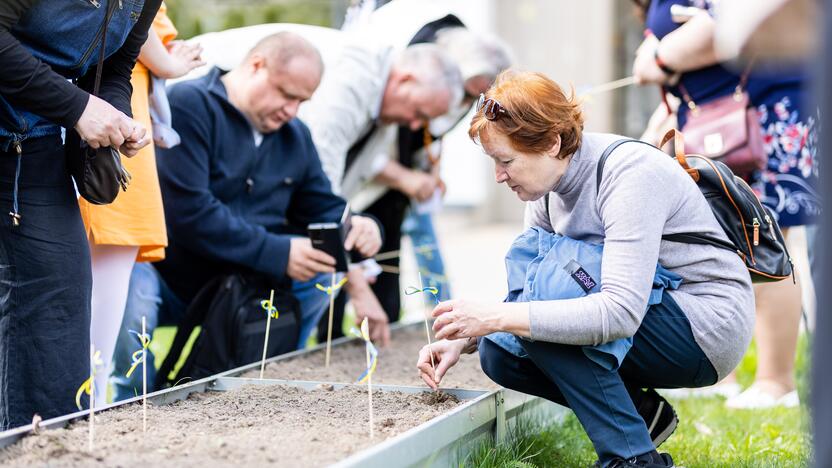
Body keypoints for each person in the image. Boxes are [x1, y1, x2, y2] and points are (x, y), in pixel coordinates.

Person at [416, 70, 755, 467]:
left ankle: (632, 458)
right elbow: (529, 288)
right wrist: (466, 336)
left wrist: (497, 316)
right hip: (651, 312)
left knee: (535, 319)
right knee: (498, 349)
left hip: (704, 325)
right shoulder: (545, 189)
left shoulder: (628, 175)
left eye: (506, 160)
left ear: (552, 142)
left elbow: (618, 313)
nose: (499, 175)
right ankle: (640, 416)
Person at [110, 32, 384, 401]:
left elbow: (320, 204)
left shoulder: (295, 135)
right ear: (256, 65)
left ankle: (275, 376)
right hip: (171, 278)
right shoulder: (189, 105)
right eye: (287, 94)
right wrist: (279, 253)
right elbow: (189, 212)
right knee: (130, 282)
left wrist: (361, 225)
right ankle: (131, 401)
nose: (292, 110)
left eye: (302, 101)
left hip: (248, 288)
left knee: (324, 271)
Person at [632, 0, 819, 408]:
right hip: (714, 119)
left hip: (764, 113)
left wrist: (660, 56)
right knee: (724, 246)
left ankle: (776, 381)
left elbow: (727, 26)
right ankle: (725, 375)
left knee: (768, 241)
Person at [0, 0, 160, 429]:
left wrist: (114, 115)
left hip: (30, 142)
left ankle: (46, 447)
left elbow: (115, 66)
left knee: (60, 299)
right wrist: (77, 108)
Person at [82, 3, 204, 407]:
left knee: (110, 255)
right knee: (109, 249)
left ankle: (90, 395)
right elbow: (129, 17)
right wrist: (168, 63)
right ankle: (90, 397)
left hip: (111, 92)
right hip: (106, 97)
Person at [299, 39, 464, 325]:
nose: (414, 126)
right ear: (405, 80)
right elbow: (320, 193)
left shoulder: (386, 111)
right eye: (419, 113)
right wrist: (358, 288)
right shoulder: (348, 87)